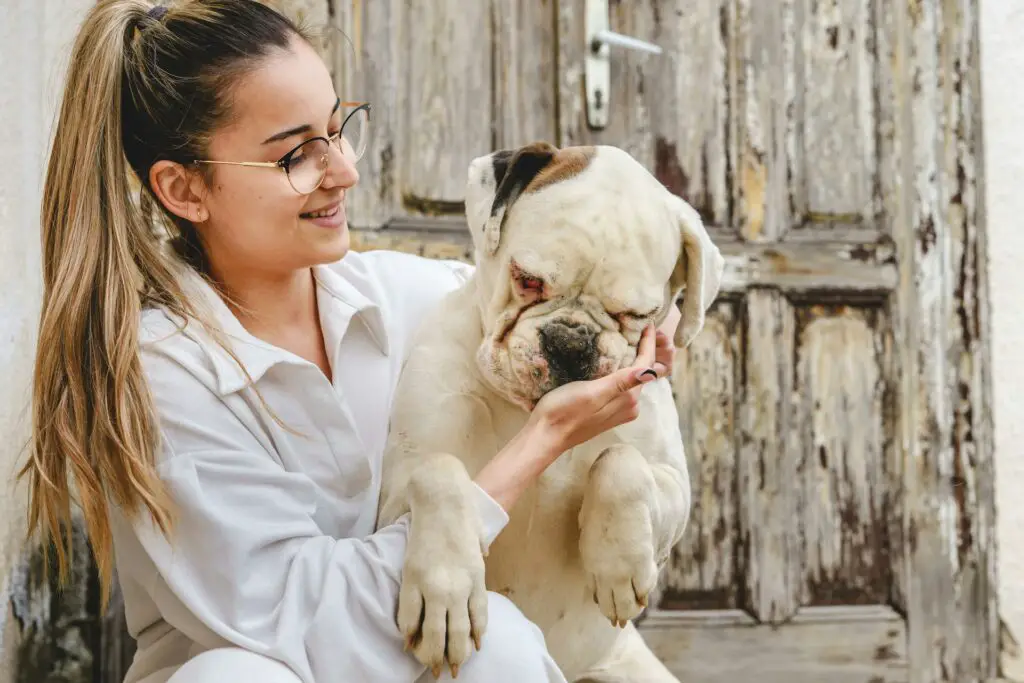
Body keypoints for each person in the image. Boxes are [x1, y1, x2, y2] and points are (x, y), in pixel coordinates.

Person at [20, 1, 680, 682]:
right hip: (274, 665)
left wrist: (641, 318)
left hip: (420, 656)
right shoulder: (161, 374)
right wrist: (535, 443)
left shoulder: (410, 301)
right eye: (296, 154)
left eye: (339, 130)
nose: (345, 171)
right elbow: (303, 612)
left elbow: (567, 308)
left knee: (499, 641)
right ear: (184, 188)